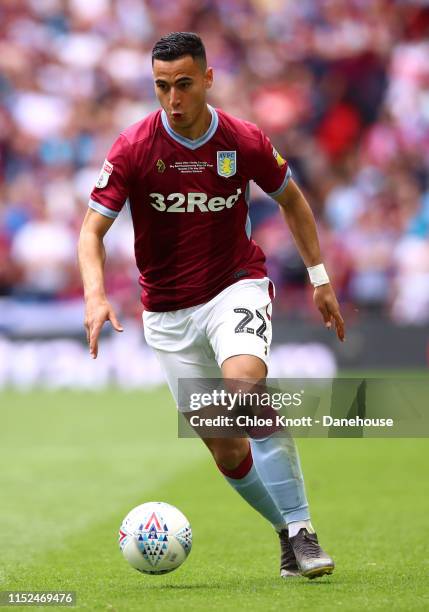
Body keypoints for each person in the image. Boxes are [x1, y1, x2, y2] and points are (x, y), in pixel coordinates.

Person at [78, 32, 345, 580]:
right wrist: (96, 294)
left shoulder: (243, 140)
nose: (172, 99)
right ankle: (286, 537)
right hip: (168, 314)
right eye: (161, 86)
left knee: (245, 390)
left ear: (207, 79)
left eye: (182, 85)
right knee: (226, 449)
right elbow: (91, 231)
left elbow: (292, 199)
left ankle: (302, 528)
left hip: (234, 287)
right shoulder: (133, 147)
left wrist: (319, 278)